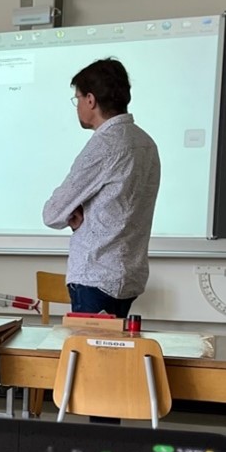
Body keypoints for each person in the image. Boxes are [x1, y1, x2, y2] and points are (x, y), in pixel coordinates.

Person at [42, 58, 161, 318]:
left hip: (95, 275)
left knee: (89, 346)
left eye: (77, 98)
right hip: (129, 275)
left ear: (90, 100)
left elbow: (52, 213)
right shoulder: (146, 143)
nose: (77, 106)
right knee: (114, 344)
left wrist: (73, 214)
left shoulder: (105, 145)